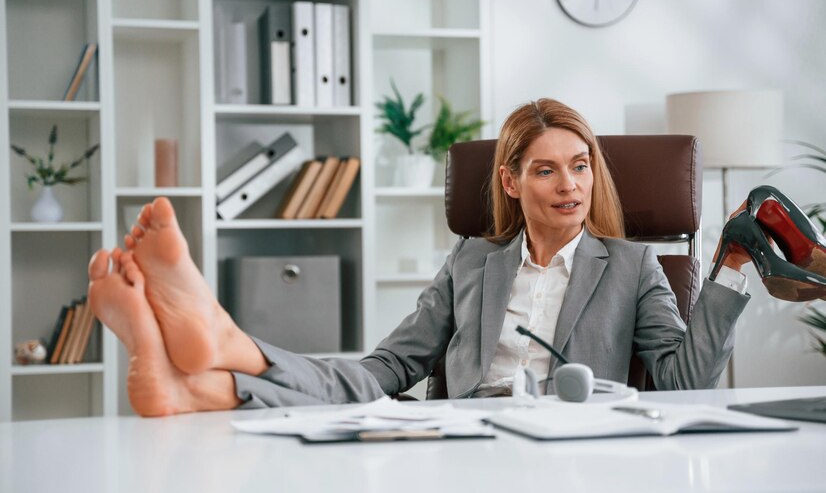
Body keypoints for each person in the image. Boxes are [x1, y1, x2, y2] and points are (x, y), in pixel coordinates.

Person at [87, 98, 824, 417]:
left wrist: (729, 265)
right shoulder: (474, 260)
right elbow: (390, 366)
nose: (568, 183)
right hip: (458, 439)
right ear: (509, 181)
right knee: (361, 389)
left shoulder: (630, 266)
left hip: (572, 447)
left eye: (580, 165)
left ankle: (215, 365)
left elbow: (683, 381)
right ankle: (210, 370)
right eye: (545, 169)